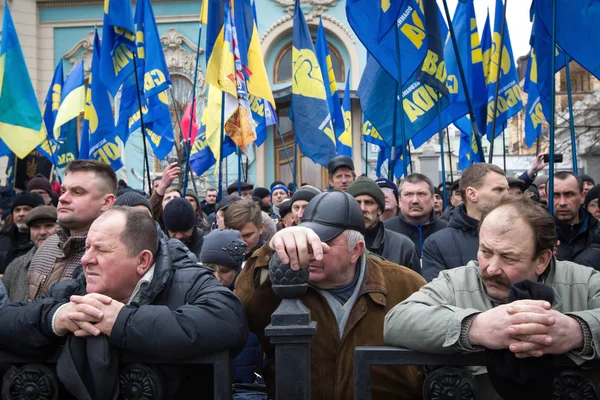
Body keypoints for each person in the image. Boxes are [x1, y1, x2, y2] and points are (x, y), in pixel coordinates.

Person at [0, 207, 247, 398]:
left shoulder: (189, 280)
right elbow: (8, 320)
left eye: (101, 250)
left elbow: (229, 319)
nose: (86, 259)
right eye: (87, 247)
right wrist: (55, 318)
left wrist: (121, 321)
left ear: (142, 262)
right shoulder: (73, 289)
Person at [384, 197, 600, 397]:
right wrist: (473, 327)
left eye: (508, 257)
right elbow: (397, 321)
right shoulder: (455, 282)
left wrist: (580, 331)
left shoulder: (582, 281)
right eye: (485, 252)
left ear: (542, 259)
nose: (492, 268)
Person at [234, 191, 426, 399]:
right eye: (308, 239)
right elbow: (239, 312)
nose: (310, 250)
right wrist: (270, 252)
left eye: (324, 242)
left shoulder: (406, 285)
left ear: (356, 250)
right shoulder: (284, 277)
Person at [26, 160, 117, 301]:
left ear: (106, 202)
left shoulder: (116, 256)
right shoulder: (45, 248)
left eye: (77, 192)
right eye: (63, 191)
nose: (62, 198)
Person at [422, 163, 509, 282]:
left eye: (507, 190)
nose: (508, 196)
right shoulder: (437, 244)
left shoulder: (522, 233)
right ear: (472, 194)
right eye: (499, 190)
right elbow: (438, 295)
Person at [199, 229, 263, 388]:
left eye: (225, 271)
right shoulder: (196, 296)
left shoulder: (251, 298)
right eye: (210, 269)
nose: (216, 277)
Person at [347, 178, 421, 273]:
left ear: (379, 209)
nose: (363, 209)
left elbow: (415, 285)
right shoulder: (336, 244)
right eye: (357, 202)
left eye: (369, 203)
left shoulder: (402, 246)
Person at [2, 206, 58, 302]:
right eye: (36, 227)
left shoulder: (74, 264)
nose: (42, 232)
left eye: (49, 226)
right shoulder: (15, 266)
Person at [384, 173, 447, 258]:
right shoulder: (385, 231)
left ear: (432, 200)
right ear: (399, 200)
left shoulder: (447, 231)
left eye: (421, 194)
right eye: (408, 194)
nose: (415, 200)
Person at [553, 171, 600, 270]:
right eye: (555, 195)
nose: (562, 202)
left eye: (569, 194)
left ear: (582, 196)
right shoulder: (537, 235)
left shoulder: (597, 232)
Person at [0, 192, 44, 273]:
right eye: (17, 210)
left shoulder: (44, 239)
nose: (21, 214)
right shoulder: (2, 238)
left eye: (27, 209)